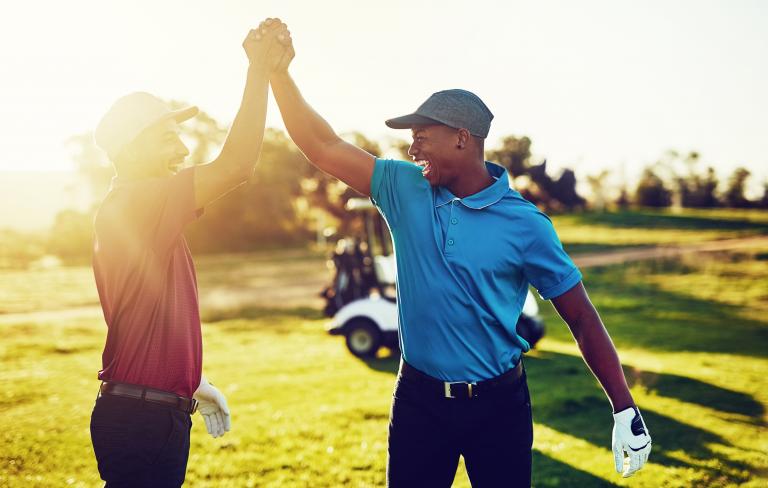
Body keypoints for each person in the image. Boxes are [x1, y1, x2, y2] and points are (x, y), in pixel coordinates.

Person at [265, 26, 652, 487]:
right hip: (419, 401)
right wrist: (279, 75)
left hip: (499, 407)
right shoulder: (402, 186)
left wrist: (624, 404)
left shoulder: (525, 225)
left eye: (422, 136)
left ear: (462, 139)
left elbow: (582, 318)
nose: (412, 149)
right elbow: (322, 145)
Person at [89, 19, 291, 487]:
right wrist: (258, 71)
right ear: (132, 149)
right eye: (167, 138)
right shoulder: (137, 203)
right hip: (142, 419)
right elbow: (238, 165)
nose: (182, 149)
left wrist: (191, 379)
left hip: (150, 410)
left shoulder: (146, 213)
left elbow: (149, 318)